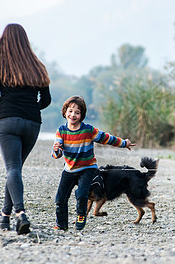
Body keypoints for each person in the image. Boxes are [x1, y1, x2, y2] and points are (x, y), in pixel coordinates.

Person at [0, 23, 51, 235]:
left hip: (8, 121)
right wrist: (30, 108)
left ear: (4, 39)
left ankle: (20, 213)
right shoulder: (37, 65)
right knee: (16, 169)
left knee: (13, 168)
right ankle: (4, 217)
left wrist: (5, 103)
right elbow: (46, 100)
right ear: (25, 40)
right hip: (32, 123)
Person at [52, 95, 136, 231]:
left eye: (77, 112)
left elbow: (106, 138)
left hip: (87, 168)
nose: (73, 115)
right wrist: (56, 150)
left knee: (81, 194)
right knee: (60, 198)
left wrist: (124, 143)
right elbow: (57, 153)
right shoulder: (61, 131)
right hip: (69, 169)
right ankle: (61, 224)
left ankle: (81, 215)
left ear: (82, 115)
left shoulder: (88, 130)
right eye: (70, 111)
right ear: (65, 112)